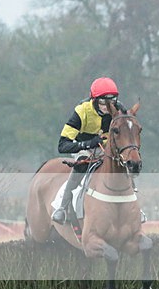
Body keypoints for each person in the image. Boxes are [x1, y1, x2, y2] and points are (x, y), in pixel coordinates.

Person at [51, 77, 127, 224]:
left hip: (108, 148)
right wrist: (88, 144)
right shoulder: (81, 112)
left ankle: (134, 206)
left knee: (125, 163)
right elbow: (62, 145)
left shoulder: (119, 110)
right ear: (95, 100)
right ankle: (62, 208)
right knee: (81, 165)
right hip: (83, 147)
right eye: (103, 102)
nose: (107, 106)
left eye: (111, 101)